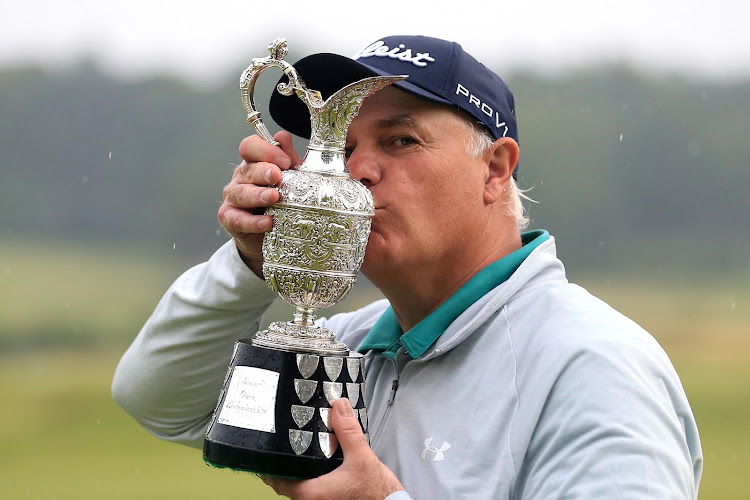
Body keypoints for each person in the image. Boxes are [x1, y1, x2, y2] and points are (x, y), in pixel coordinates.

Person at [112, 35, 703, 499]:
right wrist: (250, 261)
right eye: (342, 148)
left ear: (495, 170)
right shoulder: (348, 343)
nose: (359, 170)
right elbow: (159, 401)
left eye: (401, 141)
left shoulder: (592, 365)